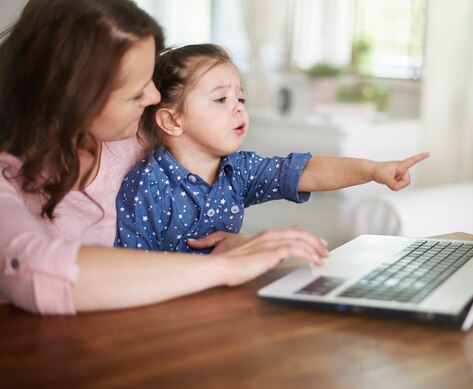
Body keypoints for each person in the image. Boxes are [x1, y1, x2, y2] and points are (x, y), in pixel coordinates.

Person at [0, 0, 331, 315]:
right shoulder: (8, 175)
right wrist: (222, 267)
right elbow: (34, 268)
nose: (154, 96)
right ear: (74, 97)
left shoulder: (140, 133)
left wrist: (225, 249)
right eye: (137, 90)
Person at [115, 43, 430, 253]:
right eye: (221, 99)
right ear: (172, 121)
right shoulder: (147, 185)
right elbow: (132, 268)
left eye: (241, 98)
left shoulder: (239, 170)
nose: (238, 108)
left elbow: (304, 171)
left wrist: (373, 170)